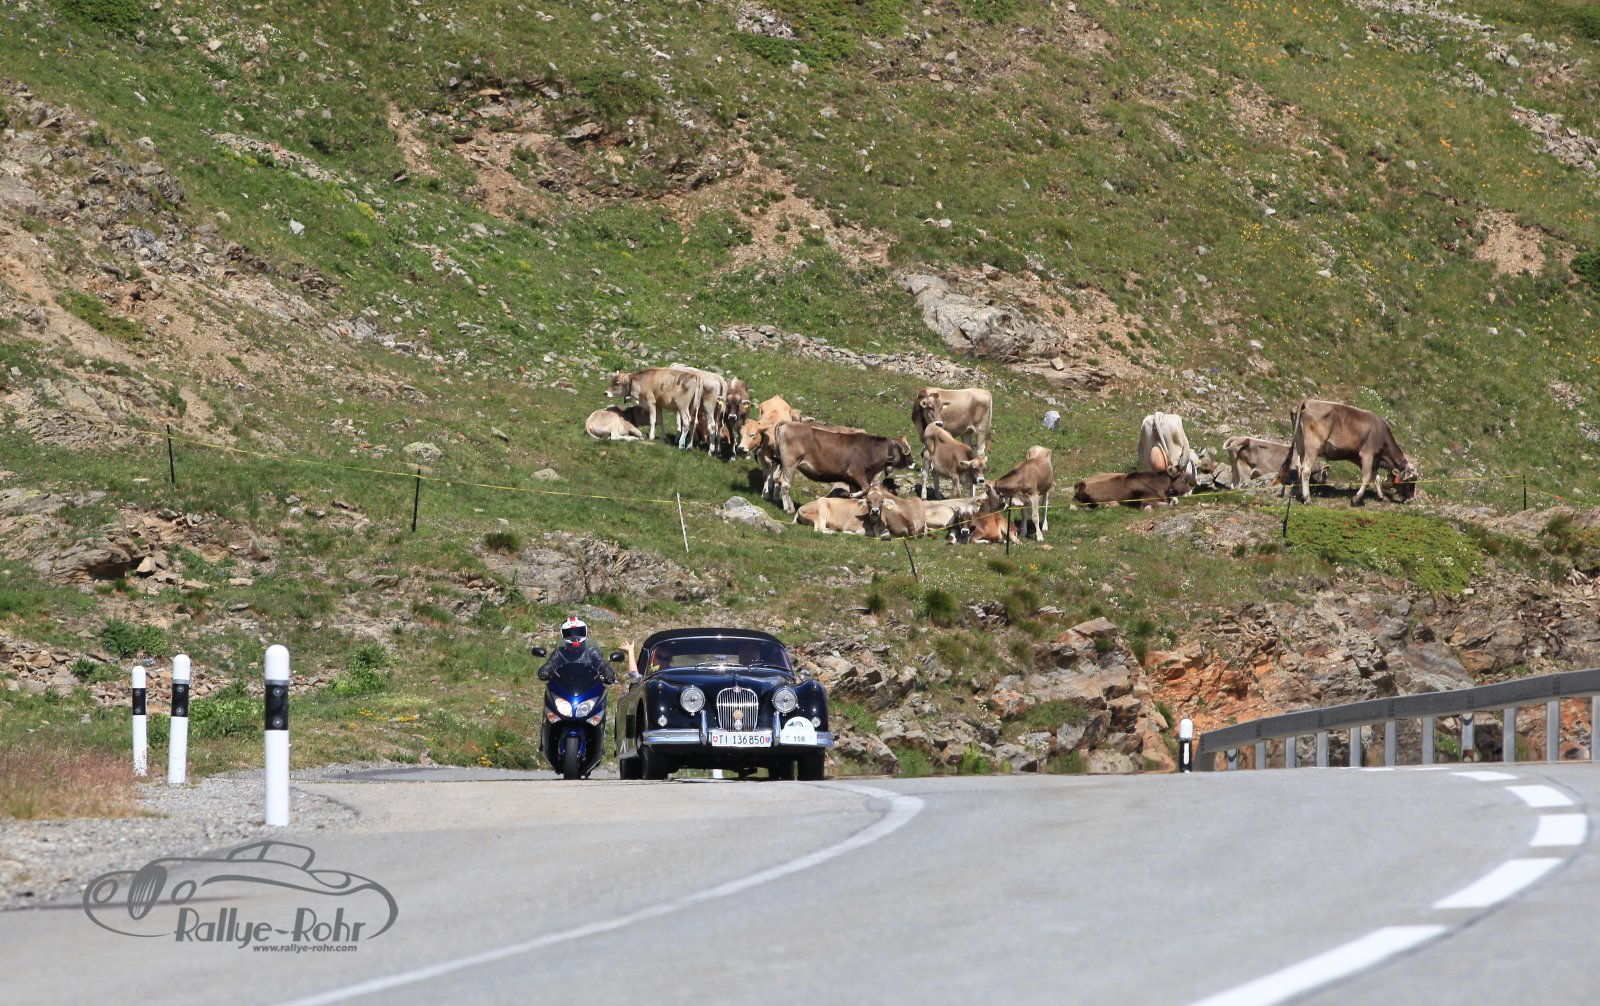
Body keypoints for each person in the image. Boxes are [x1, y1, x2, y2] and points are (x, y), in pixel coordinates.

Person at [538, 616, 615, 684]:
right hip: (564, 686)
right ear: (563, 635)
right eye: (570, 633)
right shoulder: (559, 652)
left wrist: (607, 672)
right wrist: (546, 670)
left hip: (589, 686)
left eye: (578, 632)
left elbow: (601, 664)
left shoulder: (592, 652)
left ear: (585, 632)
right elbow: (551, 663)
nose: (575, 637)